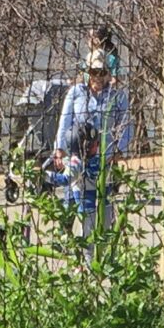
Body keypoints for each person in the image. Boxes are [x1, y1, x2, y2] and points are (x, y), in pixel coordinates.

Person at [49, 48, 132, 235]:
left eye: (102, 72)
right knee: (73, 200)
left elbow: (127, 126)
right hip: (77, 155)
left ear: (108, 73)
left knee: (105, 199)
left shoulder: (117, 97)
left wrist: (119, 150)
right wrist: (59, 149)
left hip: (105, 157)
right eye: (94, 72)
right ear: (87, 72)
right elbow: (65, 121)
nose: (98, 77)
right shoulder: (76, 92)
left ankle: (102, 238)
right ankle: (69, 239)